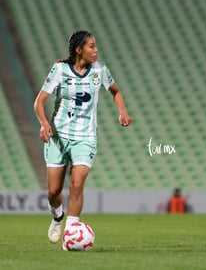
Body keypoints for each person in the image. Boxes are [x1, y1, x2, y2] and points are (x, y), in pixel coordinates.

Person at [33, 30, 132, 249]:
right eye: (91, 46)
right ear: (79, 50)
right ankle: (57, 217)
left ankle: (72, 231)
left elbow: (115, 91)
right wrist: (44, 124)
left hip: (85, 137)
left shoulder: (100, 71)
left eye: (96, 46)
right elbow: (39, 102)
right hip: (58, 136)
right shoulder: (59, 70)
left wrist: (122, 112)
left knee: (77, 184)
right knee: (53, 191)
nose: (96, 51)